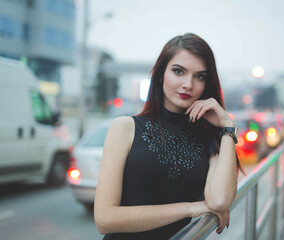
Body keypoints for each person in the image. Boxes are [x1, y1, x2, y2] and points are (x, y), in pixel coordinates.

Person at [94, 33, 244, 240]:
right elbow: (104, 219)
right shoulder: (126, 127)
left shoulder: (208, 137)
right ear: (161, 73)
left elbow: (219, 201)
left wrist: (227, 127)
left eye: (200, 76)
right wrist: (190, 208)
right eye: (178, 71)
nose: (188, 84)